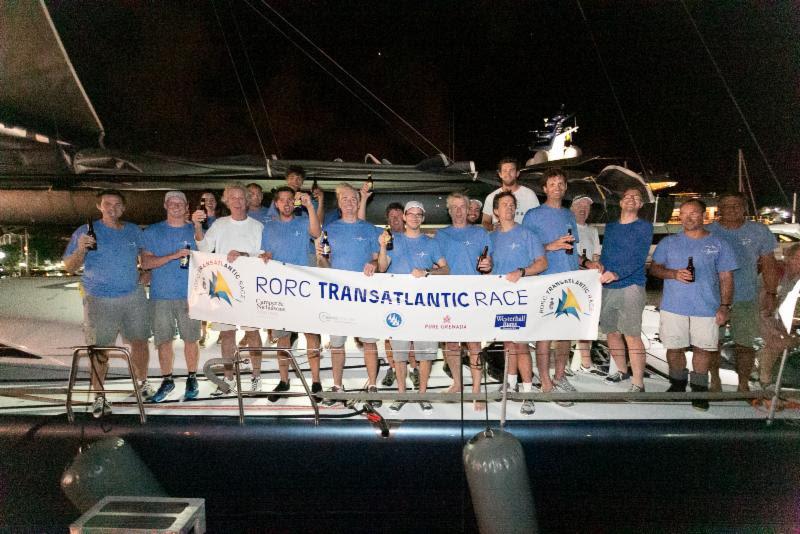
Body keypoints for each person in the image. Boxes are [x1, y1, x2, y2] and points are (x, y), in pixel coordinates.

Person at [63, 189, 152, 418]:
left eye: (117, 204)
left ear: (123, 208)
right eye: (107, 204)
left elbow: (146, 256)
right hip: (99, 298)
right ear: (99, 207)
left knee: (140, 342)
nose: (112, 208)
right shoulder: (86, 231)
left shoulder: (133, 230)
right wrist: (81, 249)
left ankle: (142, 383)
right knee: (99, 350)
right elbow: (70, 267)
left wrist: (146, 272)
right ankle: (99, 395)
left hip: (133, 296)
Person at [650, 199, 737, 410]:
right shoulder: (668, 243)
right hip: (673, 306)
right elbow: (654, 269)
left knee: (703, 350)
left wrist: (725, 306)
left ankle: (699, 391)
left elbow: (726, 278)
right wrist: (672, 274)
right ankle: (677, 385)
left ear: (704, 216)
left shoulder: (719, 244)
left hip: (707, 307)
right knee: (674, 348)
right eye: (684, 213)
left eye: (694, 213)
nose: (688, 217)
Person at [377, 200, 449, 413]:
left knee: (425, 353)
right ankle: (401, 393)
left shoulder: (431, 243)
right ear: (405, 217)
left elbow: (446, 270)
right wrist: (381, 246)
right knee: (399, 353)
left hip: (424, 307)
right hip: (398, 307)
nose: (415, 217)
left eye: (419, 214)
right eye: (411, 214)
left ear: (423, 218)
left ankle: (422, 394)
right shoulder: (393, 240)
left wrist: (428, 272)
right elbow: (382, 267)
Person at [193, 183, 264, 396]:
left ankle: (256, 377)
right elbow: (204, 248)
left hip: (250, 286)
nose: (237, 201)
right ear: (226, 201)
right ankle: (227, 379)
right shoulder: (219, 225)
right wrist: (197, 226)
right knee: (227, 335)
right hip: (223, 285)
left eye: (241, 197)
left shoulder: (258, 226)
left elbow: (263, 255)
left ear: (247, 201)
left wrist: (244, 255)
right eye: (232, 197)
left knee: (253, 333)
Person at [316, 184, 381, 406]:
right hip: (339, 296)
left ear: (358, 201)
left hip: (365, 295)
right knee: (337, 344)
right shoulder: (330, 229)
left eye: (354, 198)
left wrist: (373, 263)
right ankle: (337, 386)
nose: (349, 202)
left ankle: (372, 386)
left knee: (369, 342)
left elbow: (377, 260)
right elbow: (324, 264)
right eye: (345, 198)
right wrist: (321, 257)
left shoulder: (370, 229)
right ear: (339, 202)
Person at [707, 192, 779, 392]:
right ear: (718, 209)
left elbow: (769, 263)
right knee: (712, 343)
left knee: (745, 344)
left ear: (745, 208)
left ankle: (743, 384)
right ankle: (714, 380)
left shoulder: (759, 231)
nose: (731, 209)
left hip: (746, 296)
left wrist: (772, 294)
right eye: (727, 206)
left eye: (736, 205)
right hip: (712, 298)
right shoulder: (707, 231)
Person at [521, 168, 580, 404]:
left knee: (565, 333)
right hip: (544, 280)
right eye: (552, 183)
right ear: (544, 189)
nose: (557, 187)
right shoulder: (533, 215)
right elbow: (527, 249)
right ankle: (545, 382)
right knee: (544, 333)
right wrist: (550, 245)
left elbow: (573, 249)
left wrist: (588, 264)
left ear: (565, 187)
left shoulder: (569, 215)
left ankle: (560, 375)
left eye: (561, 183)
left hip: (569, 280)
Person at [259, 186, 322, 400]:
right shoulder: (268, 228)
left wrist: (309, 207)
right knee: (283, 339)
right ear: (276, 204)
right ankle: (284, 381)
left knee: (311, 335)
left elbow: (316, 233)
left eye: (290, 200)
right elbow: (266, 252)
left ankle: (316, 382)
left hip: (303, 290)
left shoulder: (303, 221)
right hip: (280, 292)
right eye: (282, 200)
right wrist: (265, 256)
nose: (286, 203)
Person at [490, 191, 547, 415]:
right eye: (504, 205)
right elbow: (488, 266)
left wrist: (523, 271)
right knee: (507, 343)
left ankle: (527, 392)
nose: (509, 208)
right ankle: (510, 384)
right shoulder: (491, 237)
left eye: (512, 205)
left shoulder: (527, 234)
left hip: (523, 298)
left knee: (521, 345)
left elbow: (542, 263)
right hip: (501, 299)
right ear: (496, 211)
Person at [141, 191, 201, 402]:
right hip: (161, 295)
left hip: (190, 295)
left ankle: (192, 378)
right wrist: (173, 256)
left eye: (180, 203)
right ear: (165, 206)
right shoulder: (152, 231)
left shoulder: (195, 230)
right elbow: (146, 263)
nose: (176, 206)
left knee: (191, 339)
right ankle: (167, 380)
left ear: (186, 208)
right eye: (172, 203)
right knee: (163, 341)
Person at [435, 193, 493, 409]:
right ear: (449, 211)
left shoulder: (480, 233)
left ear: (469, 210)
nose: (459, 211)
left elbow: (490, 261)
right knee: (450, 343)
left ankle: (476, 391)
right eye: (454, 207)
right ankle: (457, 383)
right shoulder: (440, 235)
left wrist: (489, 265)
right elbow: (437, 265)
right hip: (448, 296)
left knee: (474, 344)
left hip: (473, 297)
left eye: (462, 207)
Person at [597, 188, 653, 391]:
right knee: (611, 332)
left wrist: (617, 273)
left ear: (640, 205)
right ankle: (622, 370)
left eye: (636, 198)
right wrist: (600, 266)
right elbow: (606, 254)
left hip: (631, 285)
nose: (631, 199)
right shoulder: (611, 227)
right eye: (627, 196)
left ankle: (638, 382)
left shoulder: (644, 227)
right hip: (607, 285)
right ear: (620, 202)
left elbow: (639, 258)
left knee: (631, 334)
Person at [378, 202, 420, 389]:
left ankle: (414, 368)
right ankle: (392, 367)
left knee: (411, 333)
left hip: (412, 294)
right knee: (390, 333)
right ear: (387, 219)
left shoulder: (413, 237)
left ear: (403, 217)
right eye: (391, 216)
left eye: (398, 216)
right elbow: (377, 261)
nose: (395, 219)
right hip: (389, 294)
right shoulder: (384, 238)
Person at [569, 194, 604, 376]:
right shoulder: (567, 228)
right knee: (566, 320)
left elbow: (596, 255)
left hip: (589, 283)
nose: (583, 209)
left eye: (586, 206)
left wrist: (597, 266)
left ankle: (585, 361)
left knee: (587, 320)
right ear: (571, 208)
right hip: (571, 281)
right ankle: (561, 365)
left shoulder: (592, 231)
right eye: (579, 205)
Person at [759, 243, 800, 389]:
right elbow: (763, 307)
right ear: (787, 258)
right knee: (777, 341)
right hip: (762, 316)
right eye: (797, 258)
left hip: (783, 319)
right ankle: (765, 381)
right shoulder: (775, 274)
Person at [481, 157, 539, 230]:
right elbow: (485, 222)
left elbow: (538, 220)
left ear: (517, 173)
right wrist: (492, 227)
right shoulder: (491, 197)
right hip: (500, 239)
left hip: (523, 239)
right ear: (500, 174)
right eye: (505, 170)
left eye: (511, 170)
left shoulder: (529, 195)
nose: (508, 174)